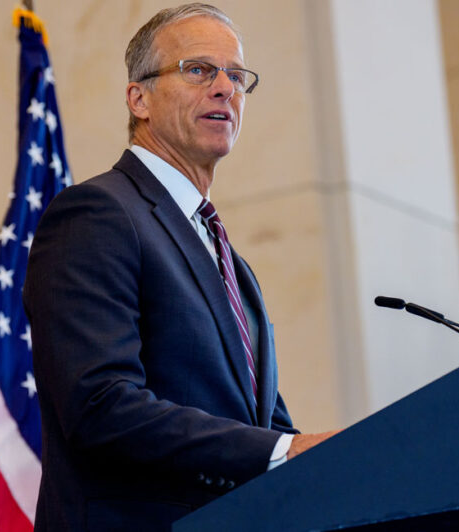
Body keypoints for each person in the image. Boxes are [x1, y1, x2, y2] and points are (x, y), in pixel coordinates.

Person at [23, 4, 338, 530]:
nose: (225, 88)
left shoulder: (231, 262)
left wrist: (338, 459)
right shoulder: (97, 214)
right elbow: (100, 405)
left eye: (236, 75)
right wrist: (284, 451)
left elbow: (263, 424)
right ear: (139, 98)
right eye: (198, 70)